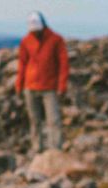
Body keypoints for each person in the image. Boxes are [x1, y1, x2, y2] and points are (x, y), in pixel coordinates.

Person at [15, 10, 69, 152]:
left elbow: (63, 64)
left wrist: (61, 86)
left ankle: (55, 149)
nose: (35, 34)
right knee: (34, 121)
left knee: (54, 120)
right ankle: (37, 148)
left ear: (44, 26)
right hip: (30, 86)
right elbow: (22, 63)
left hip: (49, 87)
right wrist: (19, 85)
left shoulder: (56, 40)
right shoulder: (26, 41)